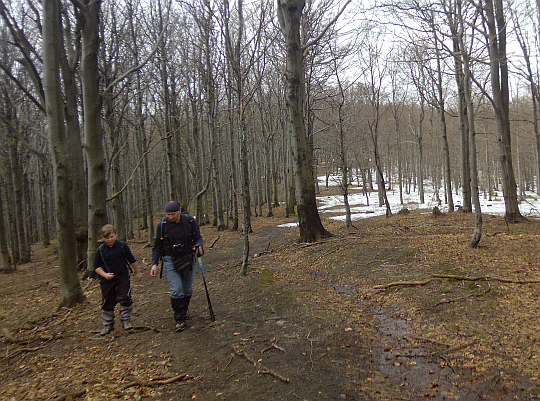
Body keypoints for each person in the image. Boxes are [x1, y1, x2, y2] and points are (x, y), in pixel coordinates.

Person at [151, 201, 204, 332]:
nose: (170, 217)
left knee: (187, 290)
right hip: (169, 259)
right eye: (168, 214)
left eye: (173, 214)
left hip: (188, 257)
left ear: (179, 211)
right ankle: (179, 319)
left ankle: (184, 311)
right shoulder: (162, 225)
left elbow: (198, 237)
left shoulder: (190, 221)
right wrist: (154, 264)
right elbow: (157, 246)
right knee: (176, 289)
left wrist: (199, 246)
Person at [93, 224, 142, 335]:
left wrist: (138, 272)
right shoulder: (100, 250)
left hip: (122, 277)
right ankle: (108, 324)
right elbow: (96, 266)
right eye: (106, 238)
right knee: (107, 302)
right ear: (103, 238)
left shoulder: (122, 246)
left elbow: (132, 260)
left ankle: (126, 321)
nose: (110, 240)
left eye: (111, 237)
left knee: (125, 298)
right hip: (106, 281)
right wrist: (105, 275)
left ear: (116, 235)